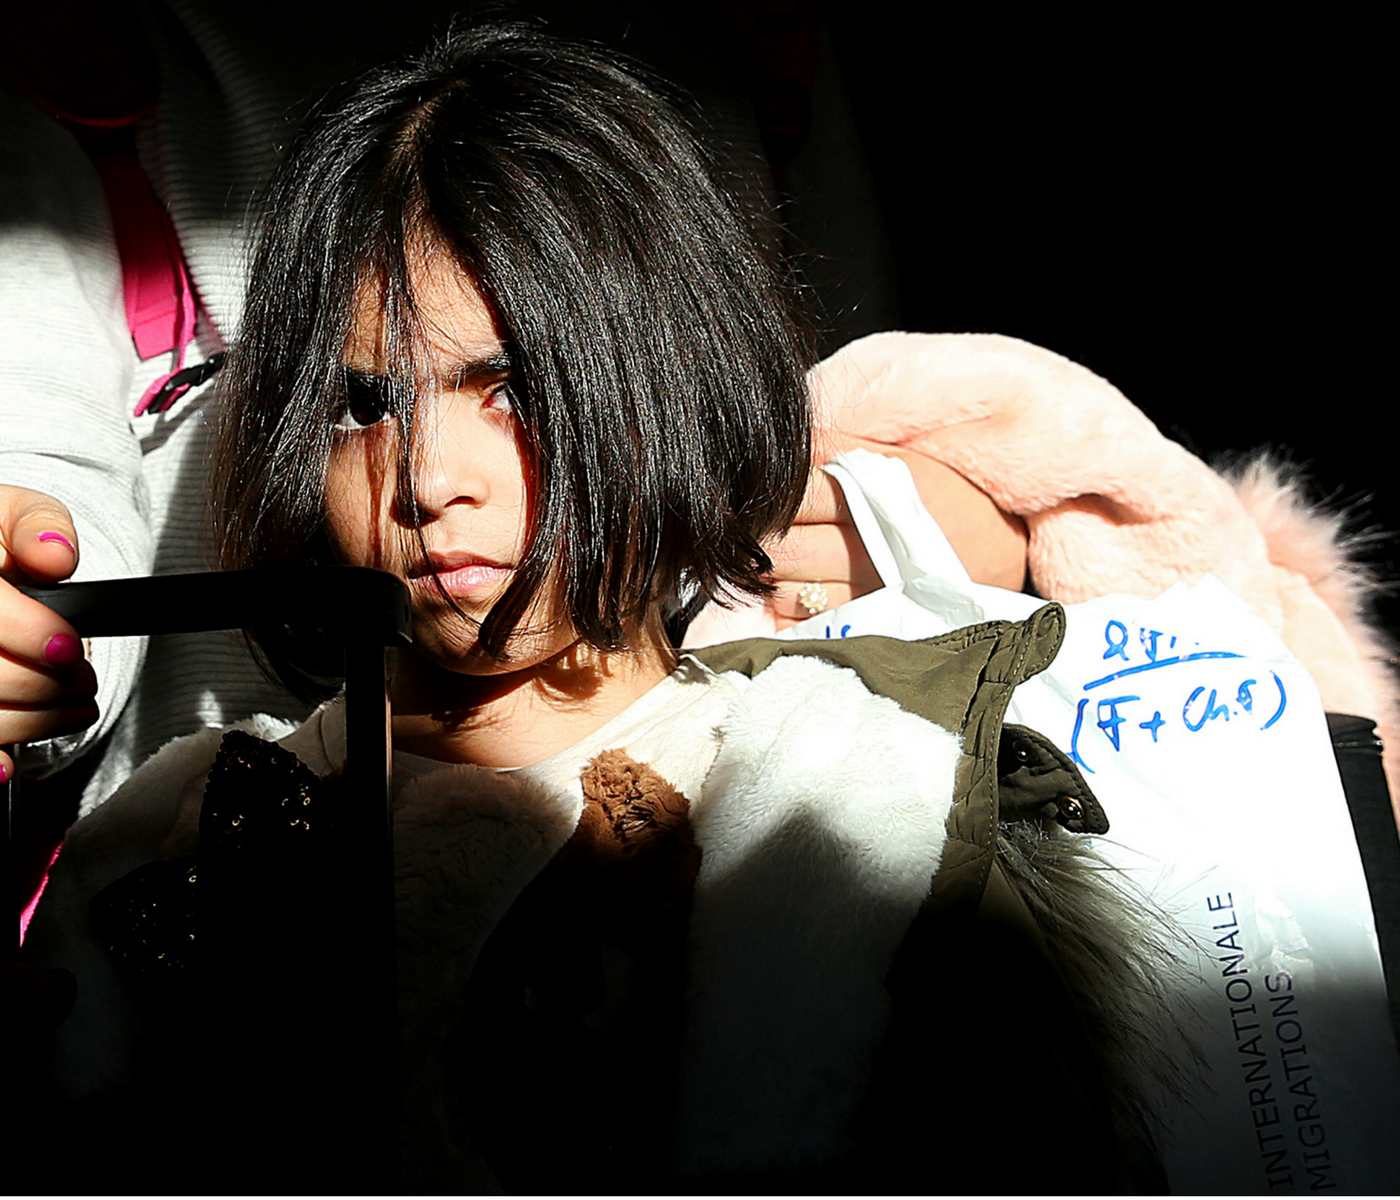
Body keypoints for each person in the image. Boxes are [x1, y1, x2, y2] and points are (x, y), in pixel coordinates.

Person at [23, 26, 1184, 1194]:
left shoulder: (859, 812)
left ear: (669, 386)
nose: (429, 481)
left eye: (515, 391)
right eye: (363, 406)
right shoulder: (172, 834)